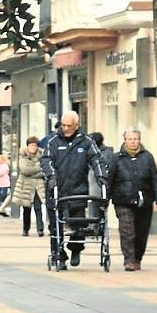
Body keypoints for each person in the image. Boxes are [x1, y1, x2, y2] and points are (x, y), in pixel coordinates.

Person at [40, 110, 107, 271]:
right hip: (57, 191)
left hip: (78, 190)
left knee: (78, 225)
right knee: (56, 226)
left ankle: (76, 250)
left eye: (69, 125)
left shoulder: (86, 142)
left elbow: (96, 159)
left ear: (76, 125)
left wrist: (101, 175)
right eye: (63, 125)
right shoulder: (53, 142)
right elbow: (46, 160)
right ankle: (59, 255)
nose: (65, 128)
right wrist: (51, 177)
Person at [109, 126, 157, 272]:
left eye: (135, 139)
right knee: (127, 231)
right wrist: (105, 200)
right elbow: (109, 180)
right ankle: (129, 259)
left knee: (141, 232)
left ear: (139, 140)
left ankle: (138, 257)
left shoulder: (147, 156)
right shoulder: (116, 157)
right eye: (130, 139)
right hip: (123, 200)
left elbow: (155, 179)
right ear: (125, 140)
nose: (133, 142)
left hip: (144, 200)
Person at [10, 136, 45, 237]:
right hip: (26, 186)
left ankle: (40, 229)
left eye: (35, 145)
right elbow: (25, 170)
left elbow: (44, 170)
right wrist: (38, 169)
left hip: (38, 187)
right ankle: (26, 229)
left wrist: (34, 171)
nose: (33, 147)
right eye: (31, 145)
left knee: (38, 208)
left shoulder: (42, 155)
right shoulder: (23, 156)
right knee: (26, 209)